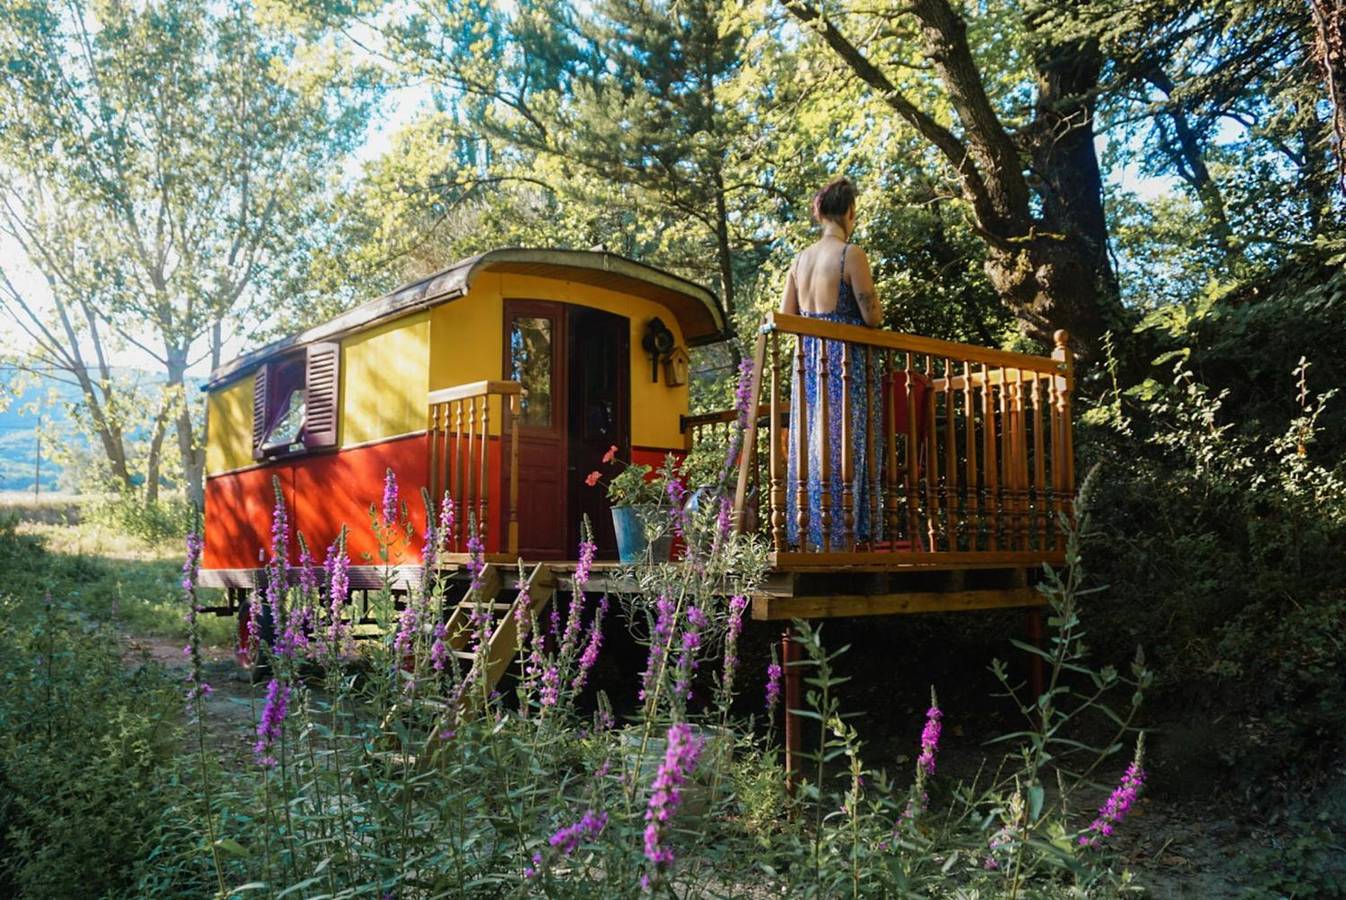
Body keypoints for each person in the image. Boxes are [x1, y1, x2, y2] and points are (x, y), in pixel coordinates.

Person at [781, 176, 882, 549]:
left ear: (818, 212)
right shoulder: (850, 254)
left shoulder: (799, 260)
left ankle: (808, 537)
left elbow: (786, 315)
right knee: (844, 445)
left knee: (811, 446)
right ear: (850, 212)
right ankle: (842, 539)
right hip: (842, 360)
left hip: (808, 362)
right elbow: (872, 316)